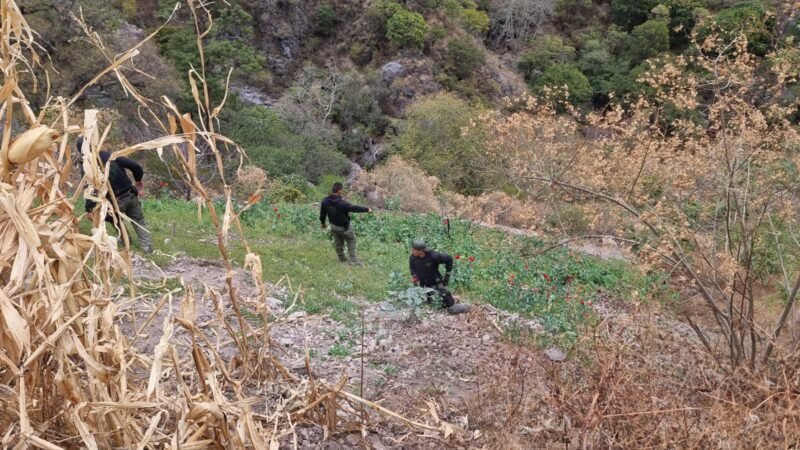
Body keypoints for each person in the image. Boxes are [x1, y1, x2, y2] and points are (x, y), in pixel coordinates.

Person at [77, 137, 153, 254]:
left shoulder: (87, 167)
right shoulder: (111, 156)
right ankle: (147, 248)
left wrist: (89, 208)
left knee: (115, 221)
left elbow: (91, 189)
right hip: (130, 195)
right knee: (138, 221)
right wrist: (138, 180)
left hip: (112, 202)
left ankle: (125, 240)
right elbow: (135, 166)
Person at [409, 239, 471, 314]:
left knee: (449, 305)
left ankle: (455, 305)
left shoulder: (434, 256)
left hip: (435, 283)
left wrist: (447, 275)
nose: (412, 251)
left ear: (421, 251)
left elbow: (449, 259)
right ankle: (452, 298)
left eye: (414, 249)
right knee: (429, 302)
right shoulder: (413, 257)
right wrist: (414, 276)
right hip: (423, 286)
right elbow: (412, 268)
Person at [320, 182, 372, 265]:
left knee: (338, 242)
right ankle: (353, 260)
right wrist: (367, 209)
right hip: (344, 228)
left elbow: (322, 213)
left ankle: (342, 258)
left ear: (332, 189)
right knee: (351, 240)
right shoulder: (343, 203)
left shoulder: (325, 201)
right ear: (339, 191)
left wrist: (323, 223)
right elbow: (354, 208)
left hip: (334, 226)